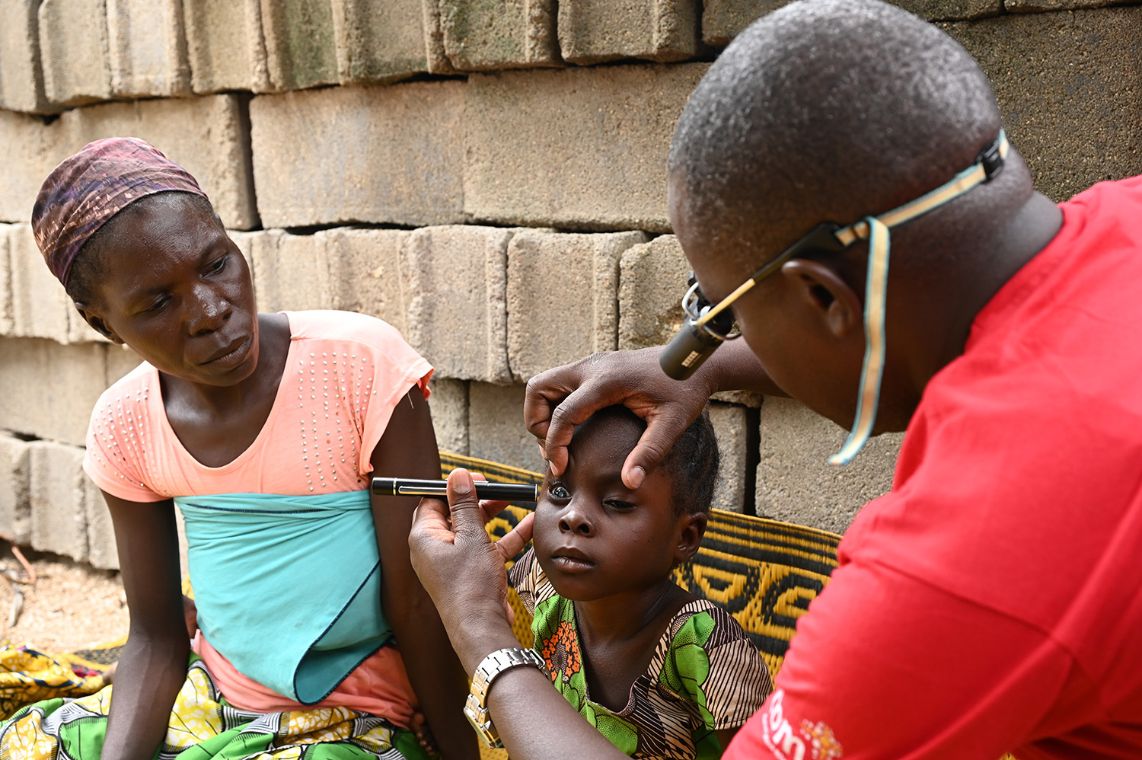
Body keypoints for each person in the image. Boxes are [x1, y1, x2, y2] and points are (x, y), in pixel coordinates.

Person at [407, 0, 1142, 757]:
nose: (715, 342)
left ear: (824, 297)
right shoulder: (1124, 217)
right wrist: (708, 367)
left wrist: (482, 631)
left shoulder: (972, 552)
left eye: (722, 316)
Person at [0, 137, 477, 759]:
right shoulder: (125, 425)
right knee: (27, 741)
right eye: (158, 302)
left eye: (217, 264)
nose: (208, 311)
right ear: (103, 324)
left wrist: (458, 746)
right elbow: (155, 635)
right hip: (216, 693)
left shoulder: (360, 366)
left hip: (357, 710)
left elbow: (415, 596)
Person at [508, 405, 772, 757]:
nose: (573, 516)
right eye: (559, 492)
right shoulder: (540, 581)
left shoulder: (707, 645)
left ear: (686, 537)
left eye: (616, 502)